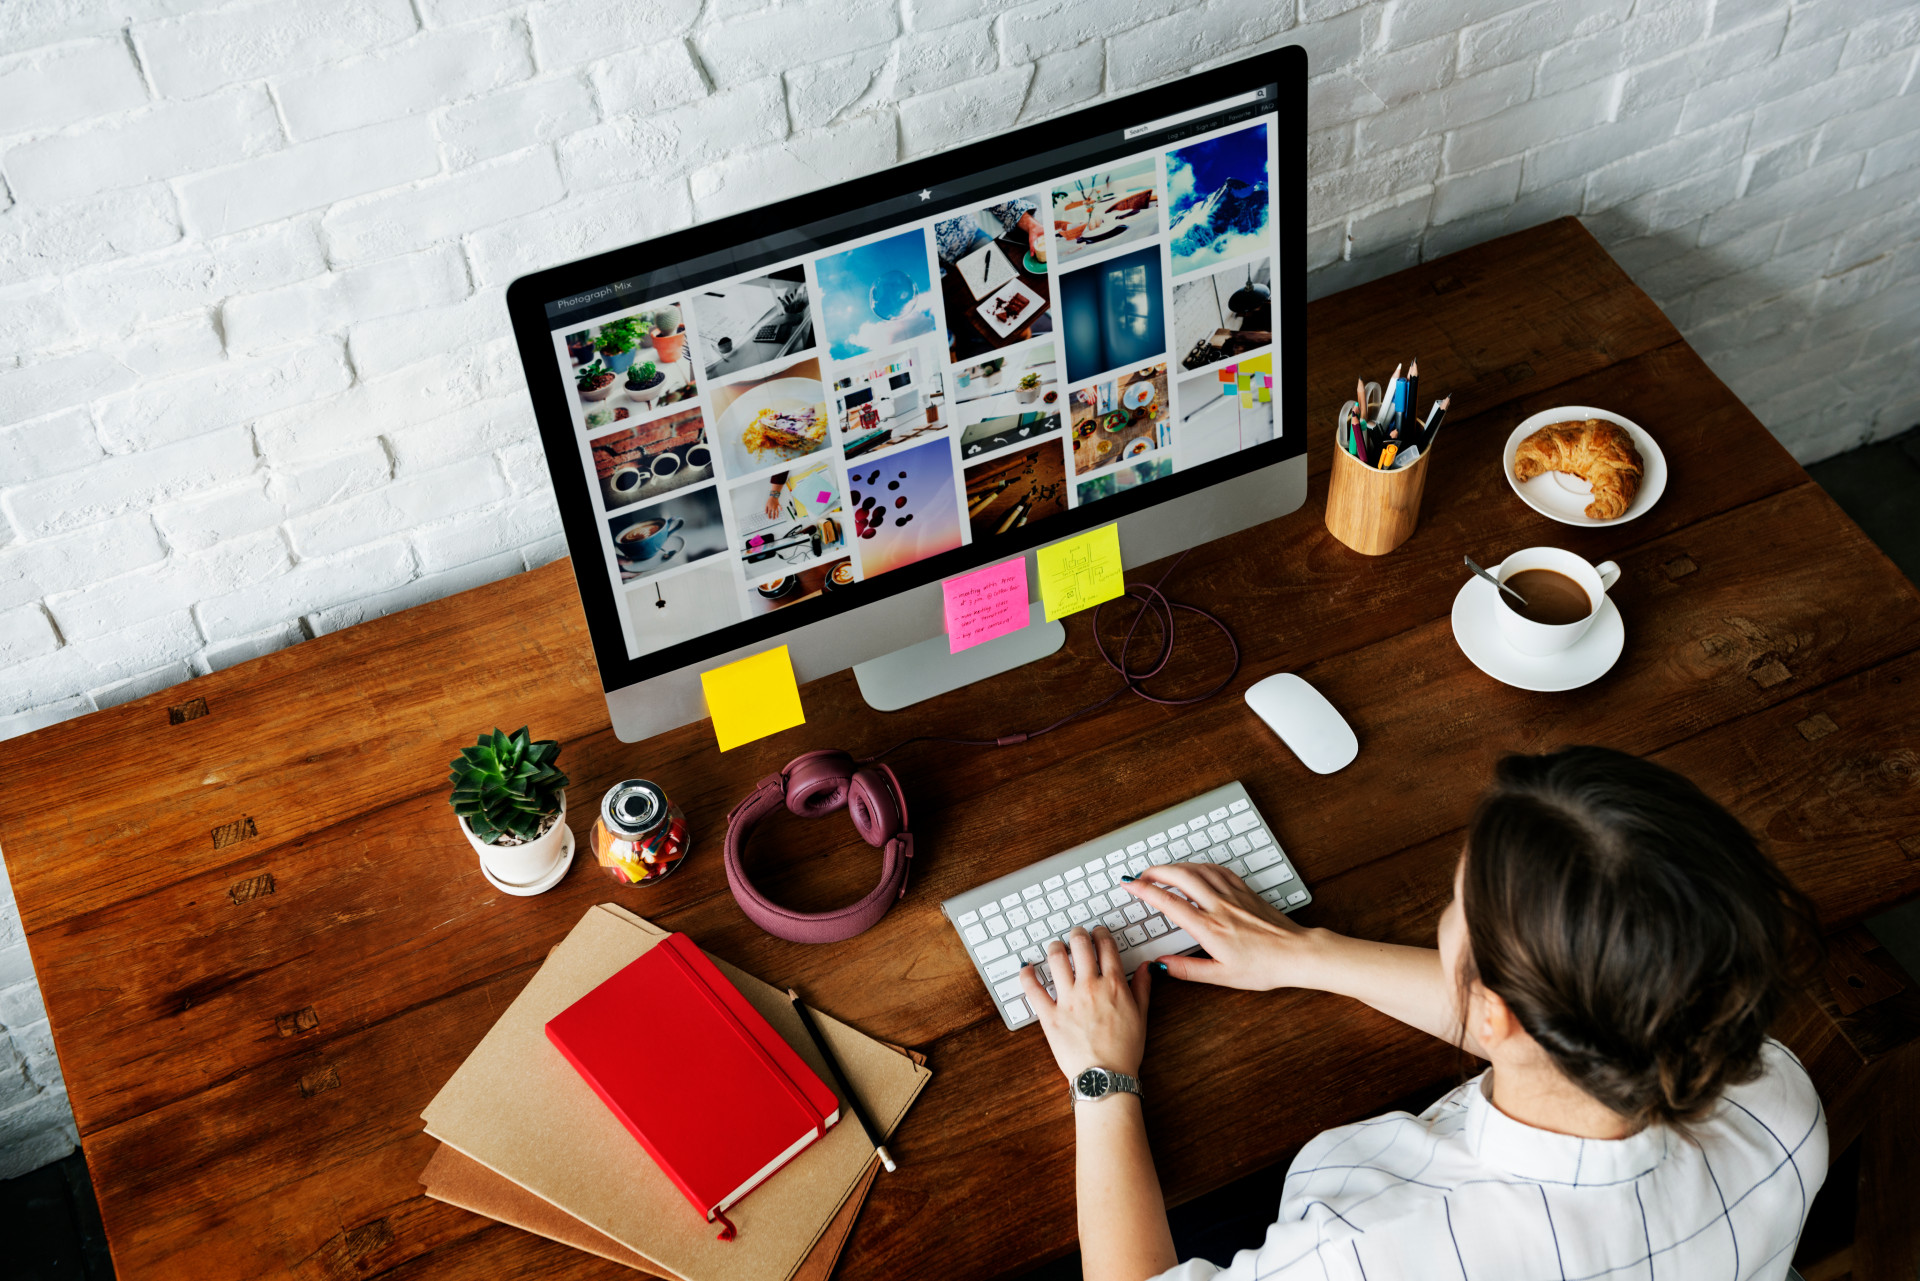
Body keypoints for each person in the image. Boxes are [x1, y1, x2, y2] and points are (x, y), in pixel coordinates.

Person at [1020, 746, 1827, 1281]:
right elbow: (1560, 1032)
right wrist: (1307, 953)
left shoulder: (1382, 1251)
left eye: (1457, 902)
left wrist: (1103, 1075)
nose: (1449, 914)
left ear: (1499, 1016)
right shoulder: (1774, 1096)